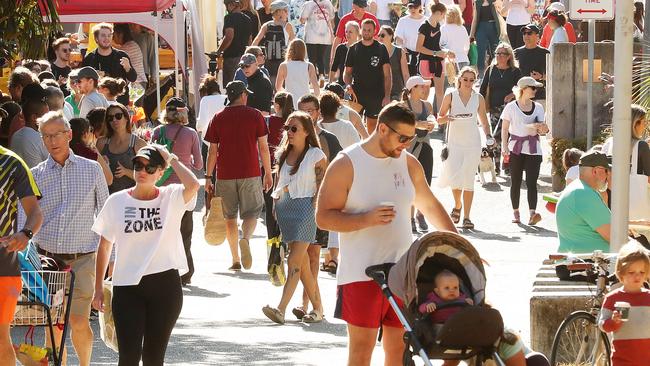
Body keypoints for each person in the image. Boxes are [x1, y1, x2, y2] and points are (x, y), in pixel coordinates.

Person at [315, 102, 457, 366]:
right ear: (381, 128)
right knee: (361, 351)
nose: (405, 144)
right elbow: (323, 217)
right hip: (360, 274)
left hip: (402, 274)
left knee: (399, 350)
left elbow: (429, 205)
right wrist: (365, 219)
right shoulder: (347, 163)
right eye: (401, 137)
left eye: (411, 138)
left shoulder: (409, 163)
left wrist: (459, 246)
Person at [92, 145, 200, 366]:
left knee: (153, 358)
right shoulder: (117, 201)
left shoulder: (171, 196)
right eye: (138, 165)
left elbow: (194, 184)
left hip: (165, 286)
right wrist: (97, 289)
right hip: (127, 287)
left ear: (161, 173)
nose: (143, 171)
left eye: (150, 167)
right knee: (128, 358)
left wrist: (172, 158)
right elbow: (104, 247)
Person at [20, 111, 109, 366]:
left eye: (57, 134)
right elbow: (22, 218)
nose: (52, 141)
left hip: (83, 260)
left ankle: (84, 364)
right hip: (48, 262)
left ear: (69, 135)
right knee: (53, 327)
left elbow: (106, 216)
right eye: (46, 136)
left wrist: (111, 259)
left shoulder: (91, 170)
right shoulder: (35, 174)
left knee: (79, 321)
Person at [262, 111, 328, 324]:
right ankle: (318, 309)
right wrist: (275, 206)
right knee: (303, 263)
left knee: (293, 260)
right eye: (287, 128)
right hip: (285, 209)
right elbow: (279, 183)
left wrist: (317, 208)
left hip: (306, 208)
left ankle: (280, 309)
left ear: (306, 131)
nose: (289, 132)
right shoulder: (282, 153)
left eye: (294, 128)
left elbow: (321, 185)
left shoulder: (316, 154)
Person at [205, 81, 273, 270]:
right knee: (251, 212)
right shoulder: (255, 115)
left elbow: (212, 152)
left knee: (229, 217)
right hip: (250, 172)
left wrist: (208, 177)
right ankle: (246, 238)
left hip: (225, 175)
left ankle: (235, 259)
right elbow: (263, 148)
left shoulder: (218, 117)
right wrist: (268, 172)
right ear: (242, 95)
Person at [151, 98, 203, 286]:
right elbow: (198, 164)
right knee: (185, 232)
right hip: (185, 188)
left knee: (162, 231)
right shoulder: (190, 133)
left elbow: (151, 158)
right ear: (183, 113)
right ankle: (185, 272)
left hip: (162, 188)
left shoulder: (157, 132)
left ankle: (164, 270)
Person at [0, 146, 43, 366]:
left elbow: (35, 212)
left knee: (0, 339)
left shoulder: (12, 162)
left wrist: (25, 233)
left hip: (3, 264)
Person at [298, 94, 343, 297]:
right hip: (295, 204)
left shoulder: (329, 139)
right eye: (303, 111)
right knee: (298, 257)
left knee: (313, 254)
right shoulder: (291, 137)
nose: (307, 115)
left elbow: (341, 169)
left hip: (318, 204)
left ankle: (308, 302)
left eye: (311, 111)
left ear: (318, 113)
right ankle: (313, 303)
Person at [437, 67, 493, 229]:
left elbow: (484, 120)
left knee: (468, 180)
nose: (468, 83)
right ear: (460, 79)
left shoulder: (479, 98)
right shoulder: (451, 96)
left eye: (471, 80)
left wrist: (488, 136)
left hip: (472, 143)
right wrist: (447, 118)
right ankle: (457, 205)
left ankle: (467, 217)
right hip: (454, 143)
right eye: (465, 79)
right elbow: (439, 118)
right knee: (455, 177)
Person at [501, 77, 548, 225]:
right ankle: (516, 213)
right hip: (515, 147)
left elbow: (542, 128)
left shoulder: (538, 107)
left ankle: (532, 214)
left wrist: (542, 128)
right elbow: (505, 128)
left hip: (533, 148)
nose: (535, 90)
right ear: (523, 89)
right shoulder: (511, 107)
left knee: (532, 182)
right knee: (515, 181)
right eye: (533, 88)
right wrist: (504, 146)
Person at [598, 241, 650, 366]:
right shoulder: (612, 298)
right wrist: (614, 323)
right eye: (631, 273)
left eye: (641, 272)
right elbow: (602, 325)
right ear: (621, 274)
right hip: (623, 359)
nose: (637, 276)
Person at [555, 151, 612, 253]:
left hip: (583, 261)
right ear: (595, 171)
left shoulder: (580, 189)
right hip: (585, 263)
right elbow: (613, 236)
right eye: (606, 171)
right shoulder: (584, 193)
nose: (608, 176)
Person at [479, 42, 521, 174]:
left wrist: (512, 94)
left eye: (503, 54)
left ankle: (507, 163)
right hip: (495, 109)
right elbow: (482, 88)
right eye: (497, 53)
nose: (499, 56)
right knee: (497, 137)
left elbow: (521, 89)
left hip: (511, 109)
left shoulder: (515, 71)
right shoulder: (491, 70)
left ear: (509, 56)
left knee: (509, 137)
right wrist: (479, 108)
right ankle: (495, 165)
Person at [344, 18, 391, 134]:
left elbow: (387, 75)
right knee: (354, 126)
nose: (366, 32)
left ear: (375, 31)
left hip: (376, 94)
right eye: (364, 30)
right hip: (357, 94)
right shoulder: (354, 48)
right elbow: (347, 73)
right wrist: (348, 85)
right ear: (360, 30)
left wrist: (387, 96)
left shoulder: (381, 48)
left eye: (369, 30)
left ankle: (369, 150)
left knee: (372, 127)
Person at [402, 76, 436, 232]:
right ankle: (409, 218)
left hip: (425, 146)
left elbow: (432, 119)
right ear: (412, 88)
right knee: (409, 183)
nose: (424, 89)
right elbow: (400, 124)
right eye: (421, 86)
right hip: (409, 148)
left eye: (425, 86)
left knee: (425, 182)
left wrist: (430, 125)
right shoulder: (403, 106)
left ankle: (420, 214)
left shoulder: (427, 105)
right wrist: (417, 124)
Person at [263, 91, 295, 251]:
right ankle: (286, 239)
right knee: (288, 205)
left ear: (276, 105)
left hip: (270, 167)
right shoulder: (294, 123)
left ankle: (273, 242)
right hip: (291, 167)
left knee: (270, 208)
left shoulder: (267, 121)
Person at [96, 103, 148, 194]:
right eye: (110, 118)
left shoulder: (138, 143)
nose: (114, 120)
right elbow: (94, 172)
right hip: (108, 197)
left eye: (118, 116)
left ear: (126, 118)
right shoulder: (101, 143)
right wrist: (101, 163)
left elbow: (148, 175)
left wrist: (126, 172)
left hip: (132, 198)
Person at [82, 23, 137, 106]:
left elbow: (133, 78)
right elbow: (83, 83)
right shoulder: (89, 59)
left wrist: (128, 68)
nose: (106, 38)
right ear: (96, 39)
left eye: (109, 35)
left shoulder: (122, 56)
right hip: (98, 103)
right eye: (103, 35)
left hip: (120, 103)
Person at [416, 2, 451, 111]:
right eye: (444, 15)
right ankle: (423, 115)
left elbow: (438, 45)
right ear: (439, 13)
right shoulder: (424, 26)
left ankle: (440, 120)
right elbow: (418, 47)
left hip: (438, 61)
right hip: (426, 61)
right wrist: (435, 53)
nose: (444, 18)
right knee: (424, 91)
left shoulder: (439, 26)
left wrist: (446, 52)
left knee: (440, 91)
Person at [252, 0, 295, 87]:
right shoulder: (288, 26)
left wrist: (252, 55)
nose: (287, 13)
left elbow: (256, 41)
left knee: (270, 85)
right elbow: (294, 45)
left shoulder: (266, 25)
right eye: (285, 11)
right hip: (283, 61)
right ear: (278, 11)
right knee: (281, 87)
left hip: (269, 62)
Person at [331, 0, 380, 66]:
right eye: (360, 7)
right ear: (353, 6)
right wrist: (333, 58)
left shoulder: (372, 18)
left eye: (363, 7)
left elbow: (377, 38)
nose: (362, 9)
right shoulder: (345, 19)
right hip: (348, 53)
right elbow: (338, 39)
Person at [275, 39, 320, 109]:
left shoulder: (283, 65)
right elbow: (316, 88)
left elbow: (278, 87)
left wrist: (287, 94)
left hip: (289, 104)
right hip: (305, 103)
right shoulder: (309, 66)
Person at [69, 117, 113, 185]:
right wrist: (104, 162)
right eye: (90, 130)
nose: (91, 134)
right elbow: (109, 180)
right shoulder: (90, 153)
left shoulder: (63, 150)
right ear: (85, 134)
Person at [217, 0, 253, 85]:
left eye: (226, 5)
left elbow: (229, 37)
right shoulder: (247, 19)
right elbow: (250, 40)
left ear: (232, 4)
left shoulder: (229, 18)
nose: (226, 8)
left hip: (231, 58)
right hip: (243, 58)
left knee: (231, 87)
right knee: (243, 86)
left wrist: (218, 51)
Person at [514, 24, 549, 103]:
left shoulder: (545, 53)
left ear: (537, 36)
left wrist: (541, 77)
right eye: (524, 33)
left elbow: (554, 75)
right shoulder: (516, 53)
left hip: (539, 96)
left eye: (529, 33)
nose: (526, 35)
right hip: (521, 96)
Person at [300, 0, 335, 78]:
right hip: (325, 37)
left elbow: (302, 20)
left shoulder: (308, 4)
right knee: (320, 57)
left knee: (312, 59)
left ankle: (313, 79)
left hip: (311, 36)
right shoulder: (328, 3)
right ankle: (322, 76)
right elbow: (332, 20)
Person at [10, 98, 49, 168]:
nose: (49, 119)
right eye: (46, 116)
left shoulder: (15, 136)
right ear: (34, 117)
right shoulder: (41, 138)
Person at [469, 0, 501, 76]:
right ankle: (481, 76)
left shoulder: (495, 1)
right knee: (480, 53)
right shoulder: (477, 2)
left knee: (495, 51)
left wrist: (497, 5)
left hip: (493, 27)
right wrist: (471, 35)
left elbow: (501, 13)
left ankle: (498, 73)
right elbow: (475, 19)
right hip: (481, 27)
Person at [395, 0, 426, 76]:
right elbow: (398, 38)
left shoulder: (426, 21)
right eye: (410, 7)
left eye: (415, 7)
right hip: (408, 55)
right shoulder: (403, 20)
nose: (412, 9)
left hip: (424, 55)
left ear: (420, 7)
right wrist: (402, 47)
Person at [378, 26, 409, 101]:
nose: (380, 38)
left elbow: (405, 74)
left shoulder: (399, 51)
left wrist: (408, 89)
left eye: (383, 35)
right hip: (380, 91)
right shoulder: (375, 51)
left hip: (397, 90)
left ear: (391, 36)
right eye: (379, 35)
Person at [196, 75, 227, 144]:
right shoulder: (227, 98)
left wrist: (198, 127)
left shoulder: (205, 100)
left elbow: (201, 124)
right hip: (226, 141)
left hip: (209, 141)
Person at [440, 4, 471, 73]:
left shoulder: (443, 28)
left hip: (449, 61)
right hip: (463, 59)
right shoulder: (462, 28)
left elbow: (439, 45)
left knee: (450, 83)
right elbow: (467, 46)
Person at [329, 21, 360, 85]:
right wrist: (330, 83)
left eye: (350, 32)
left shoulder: (361, 48)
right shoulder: (340, 48)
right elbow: (334, 67)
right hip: (342, 84)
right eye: (346, 31)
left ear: (357, 33)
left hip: (358, 85)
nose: (347, 34)